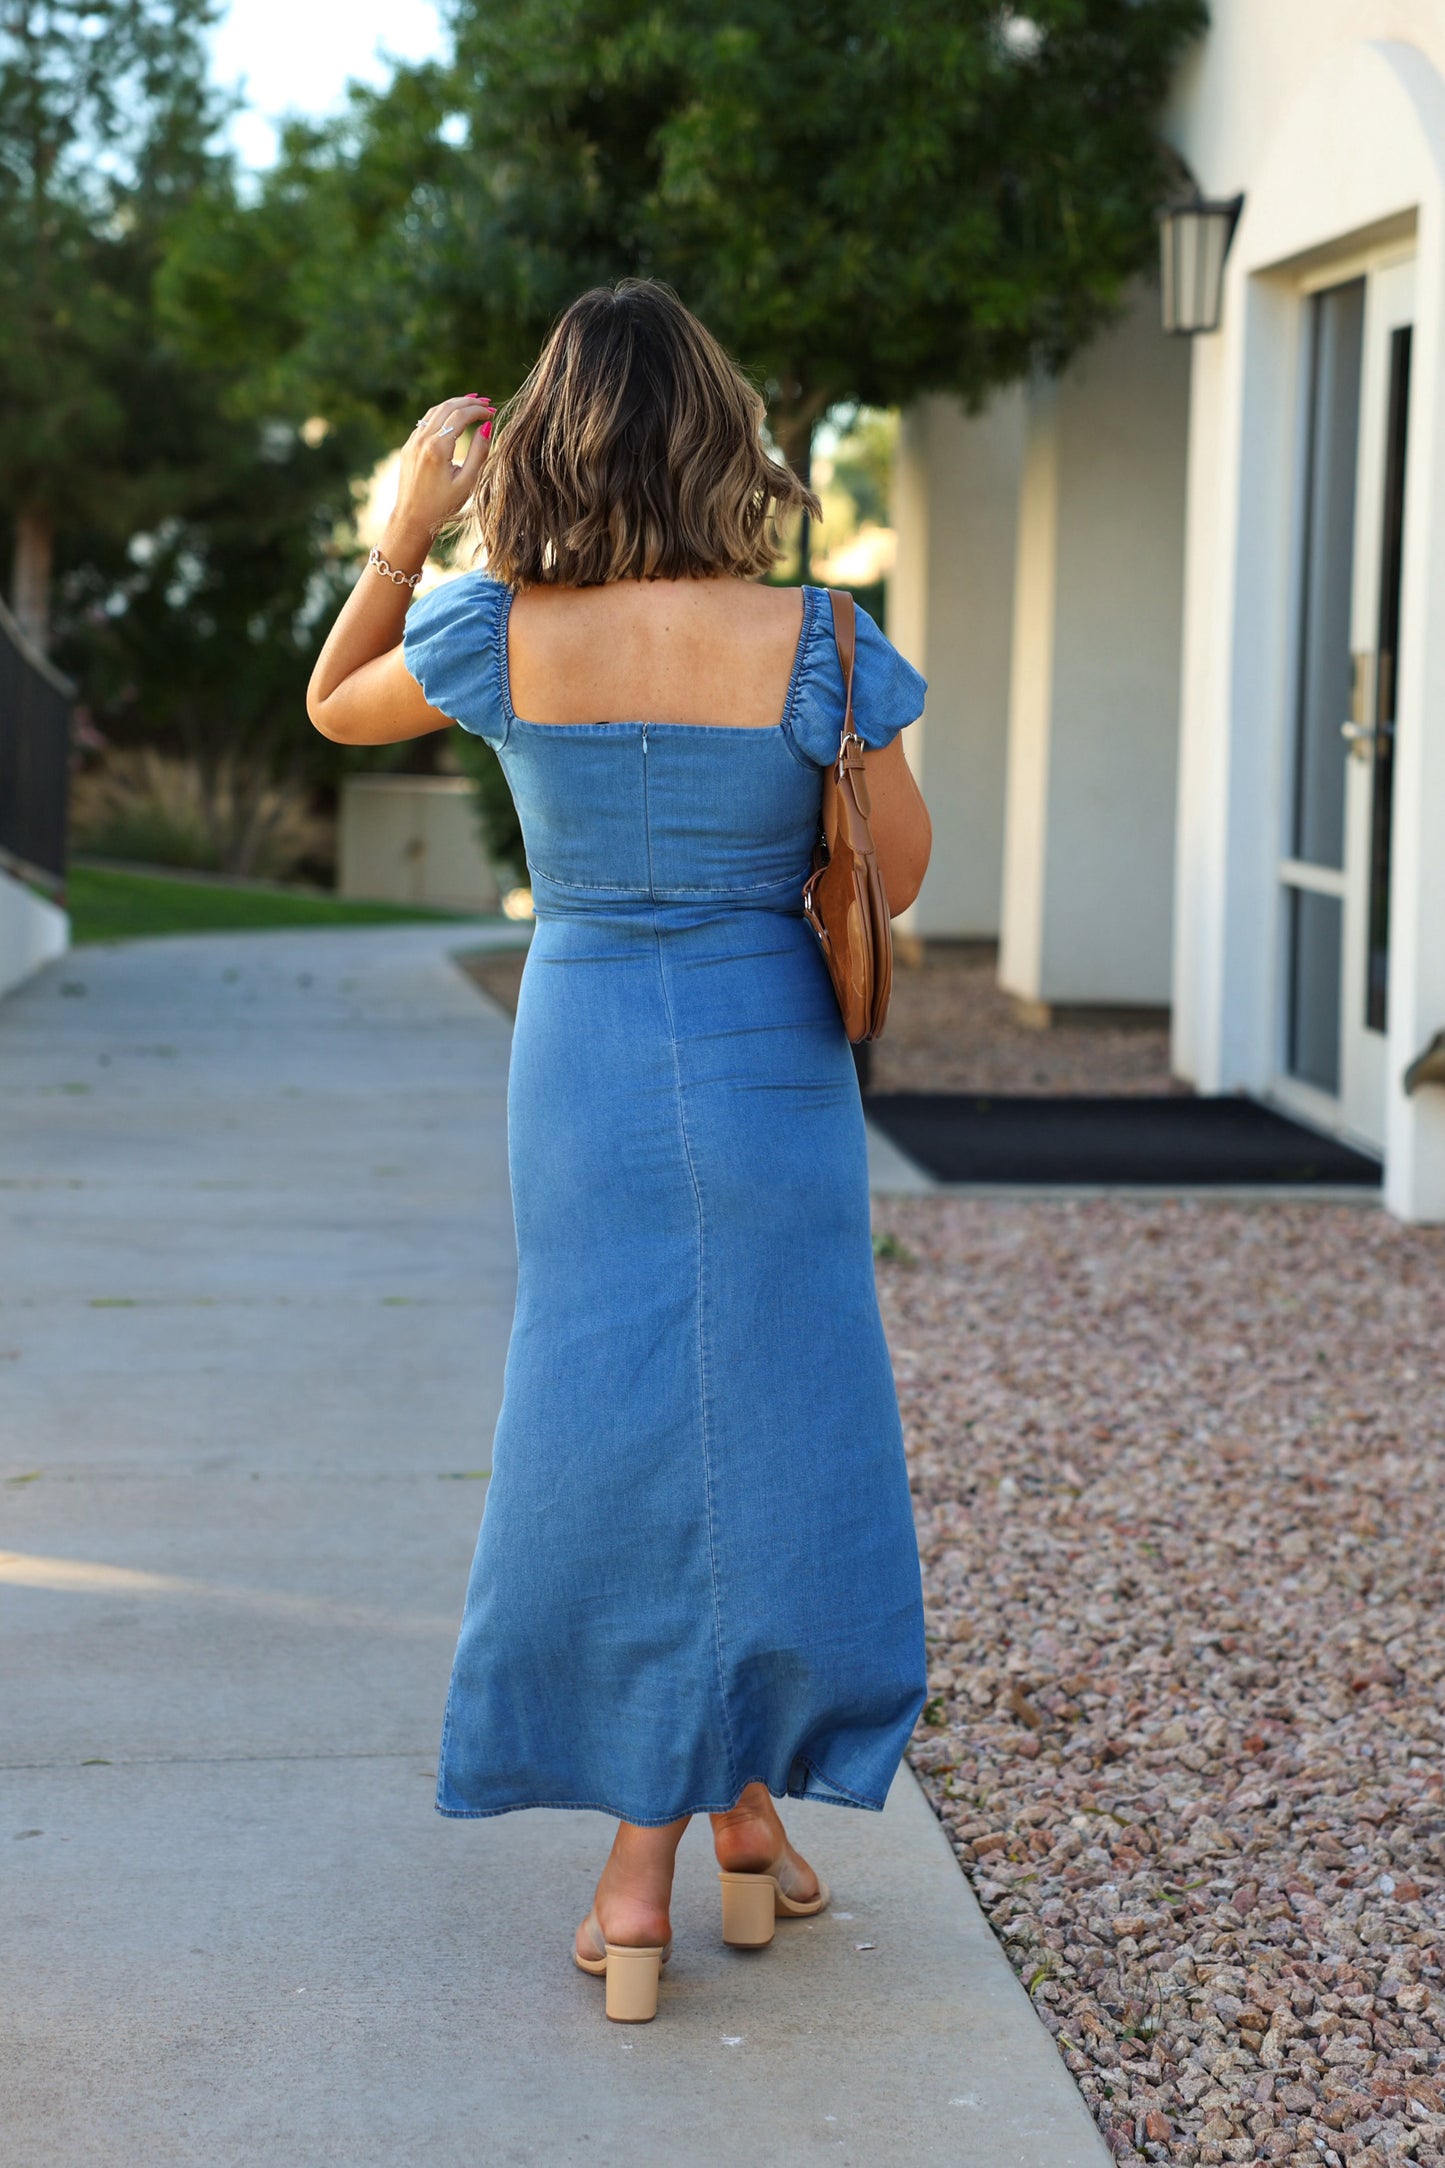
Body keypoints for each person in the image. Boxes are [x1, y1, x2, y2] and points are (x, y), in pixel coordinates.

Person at [308, 279, 932, 2024]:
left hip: (581, 1056)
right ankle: (702, 1823)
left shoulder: (491, 629)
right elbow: (898, 874)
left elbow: (334, 702)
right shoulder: (818, 640)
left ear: (556, 446)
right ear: (723, 438)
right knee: (780, 1414)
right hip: (767, 1058)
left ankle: (674, 1846)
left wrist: (402, 530)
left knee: (605, 1420)